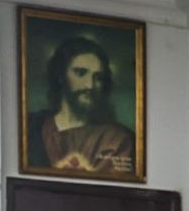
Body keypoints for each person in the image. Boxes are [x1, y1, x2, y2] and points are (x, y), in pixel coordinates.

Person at [24, 36, 135, 176]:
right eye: (80, 73)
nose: (90, 85)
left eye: (98, 77)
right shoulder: (32, 125)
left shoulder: (116, 139)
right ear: (60, 75)